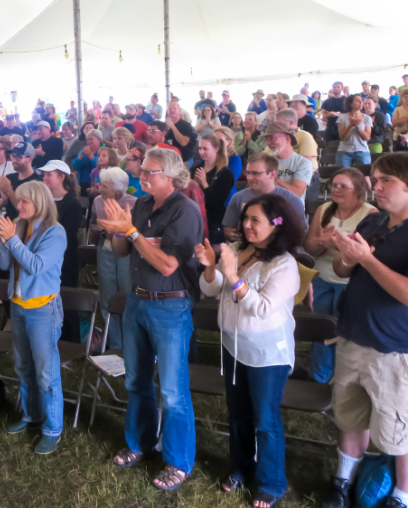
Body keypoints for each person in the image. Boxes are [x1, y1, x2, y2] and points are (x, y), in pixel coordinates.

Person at [99, 148, 202, 491]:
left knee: (172, 390)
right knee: (136, 381)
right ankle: (139, 442)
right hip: (138, 301)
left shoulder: (185, 210)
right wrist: (118, 231)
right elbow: (122, 251)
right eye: (141, 171)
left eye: (149, 172)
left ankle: (178, 461)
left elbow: (168, 264)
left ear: (170, 176)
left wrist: (131, 233)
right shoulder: (142, 205)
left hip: (170, 307)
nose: (141, 177)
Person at [195, 193, 304, 508]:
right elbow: (211, 289)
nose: (246, 225)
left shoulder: (284, 264)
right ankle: (241, 467)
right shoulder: (241, 251)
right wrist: (211, 268)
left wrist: (230, 275)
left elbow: (263, 308)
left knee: (264, 418)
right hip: (233, 345)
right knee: (238, 413)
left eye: (255, 219)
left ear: (276, 224)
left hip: (267, 354)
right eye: (245, 218)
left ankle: (272, 482)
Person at [321, 153, 408, 508]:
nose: (377, 185)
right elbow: (343, 271)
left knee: (399, 430)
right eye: (376, 178)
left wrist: (368, 260)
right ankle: (344, 479)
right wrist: (346, 253)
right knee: (350, 415)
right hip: (353, 336)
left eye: (387, 180)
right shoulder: (374, 222)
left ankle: (401, 495)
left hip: (394, 348)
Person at [0, 180, 67, 455]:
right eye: (19, 200)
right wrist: (6, 241)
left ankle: (52, 428)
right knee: (23, 365)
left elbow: (36, 266)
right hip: (18, 305)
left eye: (25, 201)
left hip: (42, 310)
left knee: (46, 372)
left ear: (40, 203)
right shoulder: (20, 226)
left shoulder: (55, 233)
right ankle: (31, 415)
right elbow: (2, 264)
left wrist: (12, 240)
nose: (19, 205)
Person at [303, 168, 376, 384]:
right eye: (334, 185)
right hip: (322, 277)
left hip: (351, 282)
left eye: (343, 186)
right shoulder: (324, 210)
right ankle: (319, 374)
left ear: (358, 190)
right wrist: (323, 244)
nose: (336, 189)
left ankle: (343, 377)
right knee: (321, 330)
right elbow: (309, 246)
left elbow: (369, 254)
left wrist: (343, 245)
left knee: (345, 333)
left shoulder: (370, 214)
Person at [91, 167, 136, 349]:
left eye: (105, 186)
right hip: (105, 249)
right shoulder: (97, 201)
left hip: (128, 252)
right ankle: (116, 345)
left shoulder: (133, 203)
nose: (99, 188)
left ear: (118, 190)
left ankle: (131, 345)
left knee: (126, 296)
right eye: (100, 184)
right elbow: (95, 224)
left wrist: (117, 230)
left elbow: (136, 233)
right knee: (108, 297)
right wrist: (101, 229)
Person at [40, 159, 82, 344]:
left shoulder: (72, 204)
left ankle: (71, 340)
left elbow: (64, 232)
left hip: (66, 260)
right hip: (45, 258)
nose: (45, 178)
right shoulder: (44, 201)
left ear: (61, 177)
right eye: (44, 174)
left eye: (49, 174)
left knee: (66, 297)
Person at [223, 153, 307, 242]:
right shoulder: (238, 198)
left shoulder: (291, 200)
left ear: (272, 175)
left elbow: (300, 233)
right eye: (247, 173)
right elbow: (228, 228)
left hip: (280, 250)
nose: (249, 177)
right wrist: (239, 235)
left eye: (256, 173)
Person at [192, 134, 235, 244]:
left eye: (205, 149)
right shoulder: (194, 169)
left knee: (212, 256)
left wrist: (205, 184)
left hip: (214, 220)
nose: (201, 152)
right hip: (194, 217)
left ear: (216, 149)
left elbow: (218, 202)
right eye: (200, 148)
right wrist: (194, 185)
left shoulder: (225, 173)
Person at [0, 141, 42, 222]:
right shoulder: (9, 178)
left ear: (30, 159)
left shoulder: (38, 182)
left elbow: (29, 211)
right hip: (8, 228)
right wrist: (3, 200)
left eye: (18, 157)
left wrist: (9, 192)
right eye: (13, 156)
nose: (14, 160)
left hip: (26, 230)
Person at [264, 122, 312, 204]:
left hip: (292, 211)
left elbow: (297, 193)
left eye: (272, 138)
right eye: (267, 139)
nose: (268, 143)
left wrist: (273, 179)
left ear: (287, 139)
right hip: (268, 210)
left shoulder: (303, 163)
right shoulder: (264, 162)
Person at [335, 94, 373, 167]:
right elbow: (343, 138)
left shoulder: (367, 118)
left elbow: (367, 138)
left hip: (362, 150)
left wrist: (358, 126)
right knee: (343, 174)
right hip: (344, 150)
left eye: (361, 100)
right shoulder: (342, 118)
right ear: (351, 104)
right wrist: (350, 125)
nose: (361, 102)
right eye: (357, 100)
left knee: (365, 175)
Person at [214, 127, 244, 201]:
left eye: (219, 139)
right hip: (209, 195)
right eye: (213, 138)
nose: (215, 141)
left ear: (229, 142)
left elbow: (230, 181)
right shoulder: (208, 156)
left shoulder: (235, 159)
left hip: (227, 198)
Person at [71, 129, 103, 195]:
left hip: (96, 184)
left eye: (91, 139)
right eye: (87, 139)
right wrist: (81, 157)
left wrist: (91, 156)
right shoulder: (83, 151)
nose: (89, 141)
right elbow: (74, 166)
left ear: (99, 140)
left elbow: (100, 168)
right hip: (81, 183)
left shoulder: (103, 152)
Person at [165, 102, 195, 166]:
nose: (172, 110)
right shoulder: (165, 125)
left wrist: (173, 127)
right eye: (170, 109)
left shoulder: (186, 125)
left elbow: (183, 142)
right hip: (169, 161)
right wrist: (166, 130)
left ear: (179, 111)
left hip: (183, 160)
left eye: (174, 108)